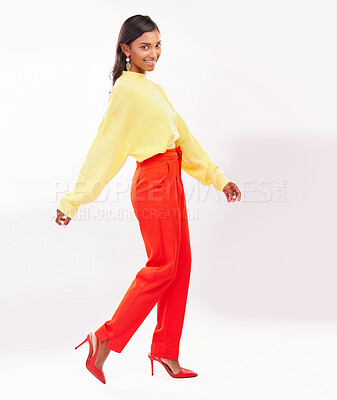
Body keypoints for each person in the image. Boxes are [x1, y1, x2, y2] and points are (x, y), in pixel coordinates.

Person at [55, 14, 241, 383]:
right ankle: (104, 338)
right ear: (126, 50)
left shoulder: (153, 89)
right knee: (163, 266)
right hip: (153, 183)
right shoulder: (125, 91)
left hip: (170, 178)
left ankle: (165, 351)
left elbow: (183, 138)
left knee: (180, 266)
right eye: (144, 47)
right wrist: (72, 200)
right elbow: (105, 149)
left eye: (157, 46)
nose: (153, 54)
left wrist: (218, 179)